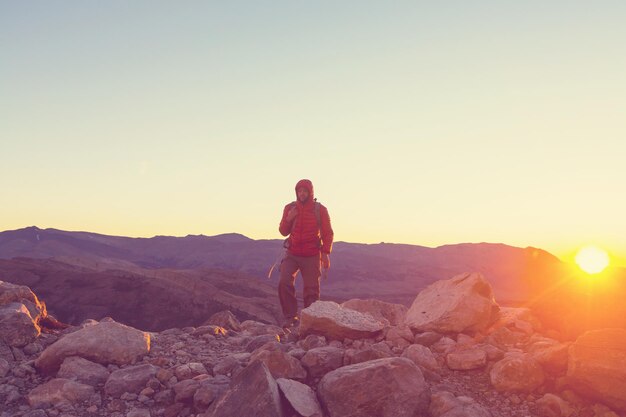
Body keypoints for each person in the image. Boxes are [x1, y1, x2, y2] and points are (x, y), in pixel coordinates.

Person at [278, 179, 334, 329]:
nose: (302, 194)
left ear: (310, 192)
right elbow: (283, 231)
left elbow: (328, 233)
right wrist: (289, 218)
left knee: (311, 289)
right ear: (296, 192)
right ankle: (290, 317)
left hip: (312, 254)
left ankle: (311, 321)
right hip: (293, 253)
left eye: (305, 191)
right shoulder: (289, 208)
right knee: (284, 281)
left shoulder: (319, 209)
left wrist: (326, 253)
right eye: (299, 191)